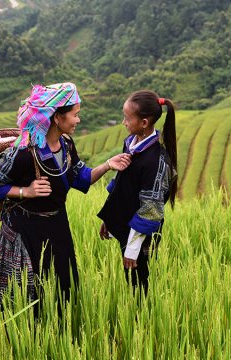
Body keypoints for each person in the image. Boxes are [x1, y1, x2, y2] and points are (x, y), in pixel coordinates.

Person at [0, 82, 131, 311]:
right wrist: (24, 191)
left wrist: (108, 165)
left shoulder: (66, 146)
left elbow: (81, 177)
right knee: (27, 296)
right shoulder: (23, 152)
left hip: (57, 227)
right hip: (25, 232)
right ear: (57, 117)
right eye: (75, 115)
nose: (78, 120)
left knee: (62, 290)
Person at [97, 90, 178, 296]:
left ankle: (143, 322)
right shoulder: (130, 143)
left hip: (142, 236)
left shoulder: (156, 161)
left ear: (144, 123)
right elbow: (121, 184)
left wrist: (132, 249)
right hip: (126, 225)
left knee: (140, 285)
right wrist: (109, 217)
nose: (124, 122)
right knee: (130, 280)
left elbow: (150, 209)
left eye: (127, 118)